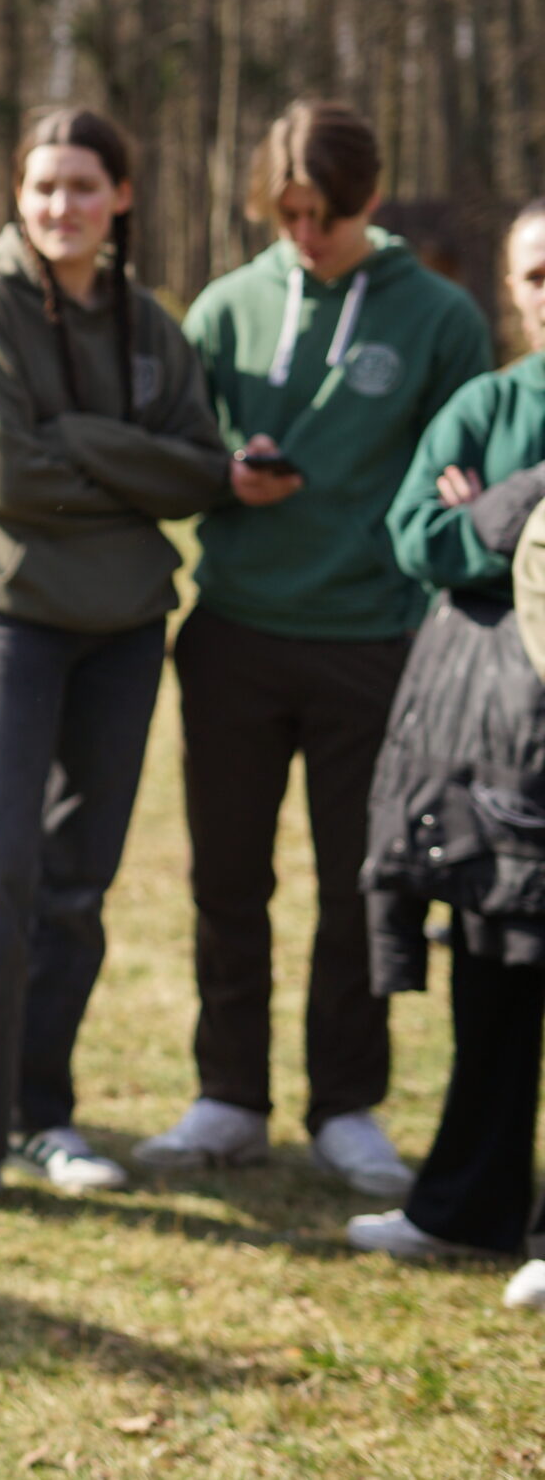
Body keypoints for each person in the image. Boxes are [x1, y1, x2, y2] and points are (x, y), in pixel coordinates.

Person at [0, 109, 228, 1212]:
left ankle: (42, 1117)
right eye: (42, 187)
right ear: (17, 197)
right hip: (12, 622)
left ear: (120, 195)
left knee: (77, 882)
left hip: (126, 630)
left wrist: (73, 438)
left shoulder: (148, 321)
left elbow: (199, 470)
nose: (60, 206)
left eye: (82, 185)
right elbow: (1, 475)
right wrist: (124, 471)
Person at [139, 100, 493, 1196]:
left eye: (324, 216)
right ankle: (228, 1097)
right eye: (286, 214)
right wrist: (224, 473)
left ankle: (346, 1105)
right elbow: (177, 446)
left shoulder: (439, 316)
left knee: (359, 885)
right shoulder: (225, 307)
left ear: (369, 199)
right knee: (226, 877)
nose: (304, 234)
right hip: (233, 634)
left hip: (372, 642)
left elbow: (462, 475)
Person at [346, 202, 545, 1312]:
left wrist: (492, 518)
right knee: (492, 979)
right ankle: (465, 1208)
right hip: (487, 745)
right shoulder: (488, 405)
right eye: (535, 272)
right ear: (510, 288)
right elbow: (418, 535)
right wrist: (521, 506)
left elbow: (470, 541)